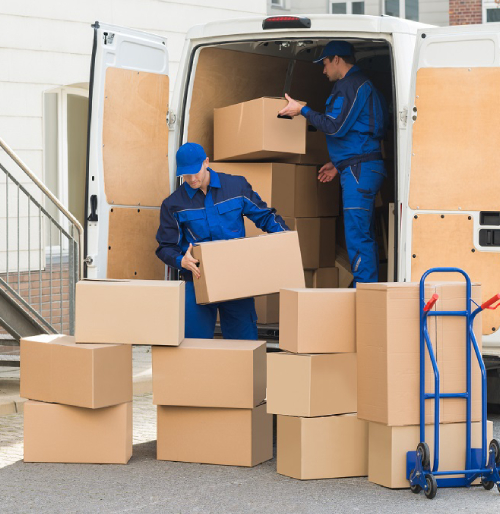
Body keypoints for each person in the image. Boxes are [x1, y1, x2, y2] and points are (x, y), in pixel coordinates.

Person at [279, 40, 388, 286]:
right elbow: (362, 131)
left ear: (337, 59)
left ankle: (364, 290)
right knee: (363, 232)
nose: (323, 70)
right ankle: (366, 285)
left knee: (357, 234)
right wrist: (337, 164)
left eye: (325, 63)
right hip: (361, 166)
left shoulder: (350, 85)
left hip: (360, 171)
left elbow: (334, 125)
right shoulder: (364, 84)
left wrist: (302, 110)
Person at [156, 142, 288, 340]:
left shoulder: (237, 187)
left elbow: (266, 217)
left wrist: (286, 239)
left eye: (195, 172)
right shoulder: (173, 204)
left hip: (236, 279)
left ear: (206, 162)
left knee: (243, 345)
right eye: (185, 175)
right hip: (197, 280)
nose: (191, 179)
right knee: (193, 345)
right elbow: (166, 247)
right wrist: (180, 261)